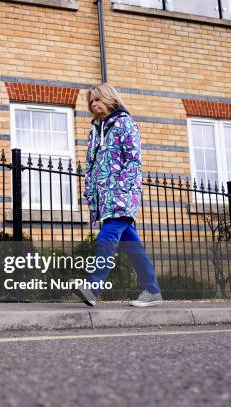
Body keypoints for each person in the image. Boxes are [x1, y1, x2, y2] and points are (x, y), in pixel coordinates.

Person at [75, 83, 162, 307]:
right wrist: (90, 190)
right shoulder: (94, 132)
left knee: (107, 235)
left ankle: (92, 288)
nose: (94, 104)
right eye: (91, 101)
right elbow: (92, 165)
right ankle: (152, 291)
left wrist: (121, 188)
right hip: (104, 197)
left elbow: (134, 161)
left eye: (98, 99)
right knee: (133, 246)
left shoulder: (125, 124)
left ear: (110, 99)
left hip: (122, 194)